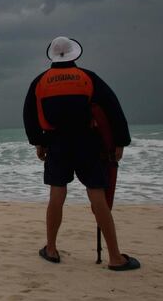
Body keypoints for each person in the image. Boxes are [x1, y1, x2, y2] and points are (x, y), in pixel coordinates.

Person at [22, 36, 140, 271]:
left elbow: (30, 115)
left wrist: (39, 143)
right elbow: (113, 108)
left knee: (57, 194)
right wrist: (120, 142)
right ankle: (115, 257)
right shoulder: (88, 78)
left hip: (56, 143)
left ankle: (52, 249)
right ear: (75, 54)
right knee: (97, 195)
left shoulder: (41, 82)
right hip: (87, 142)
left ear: (52, 56)